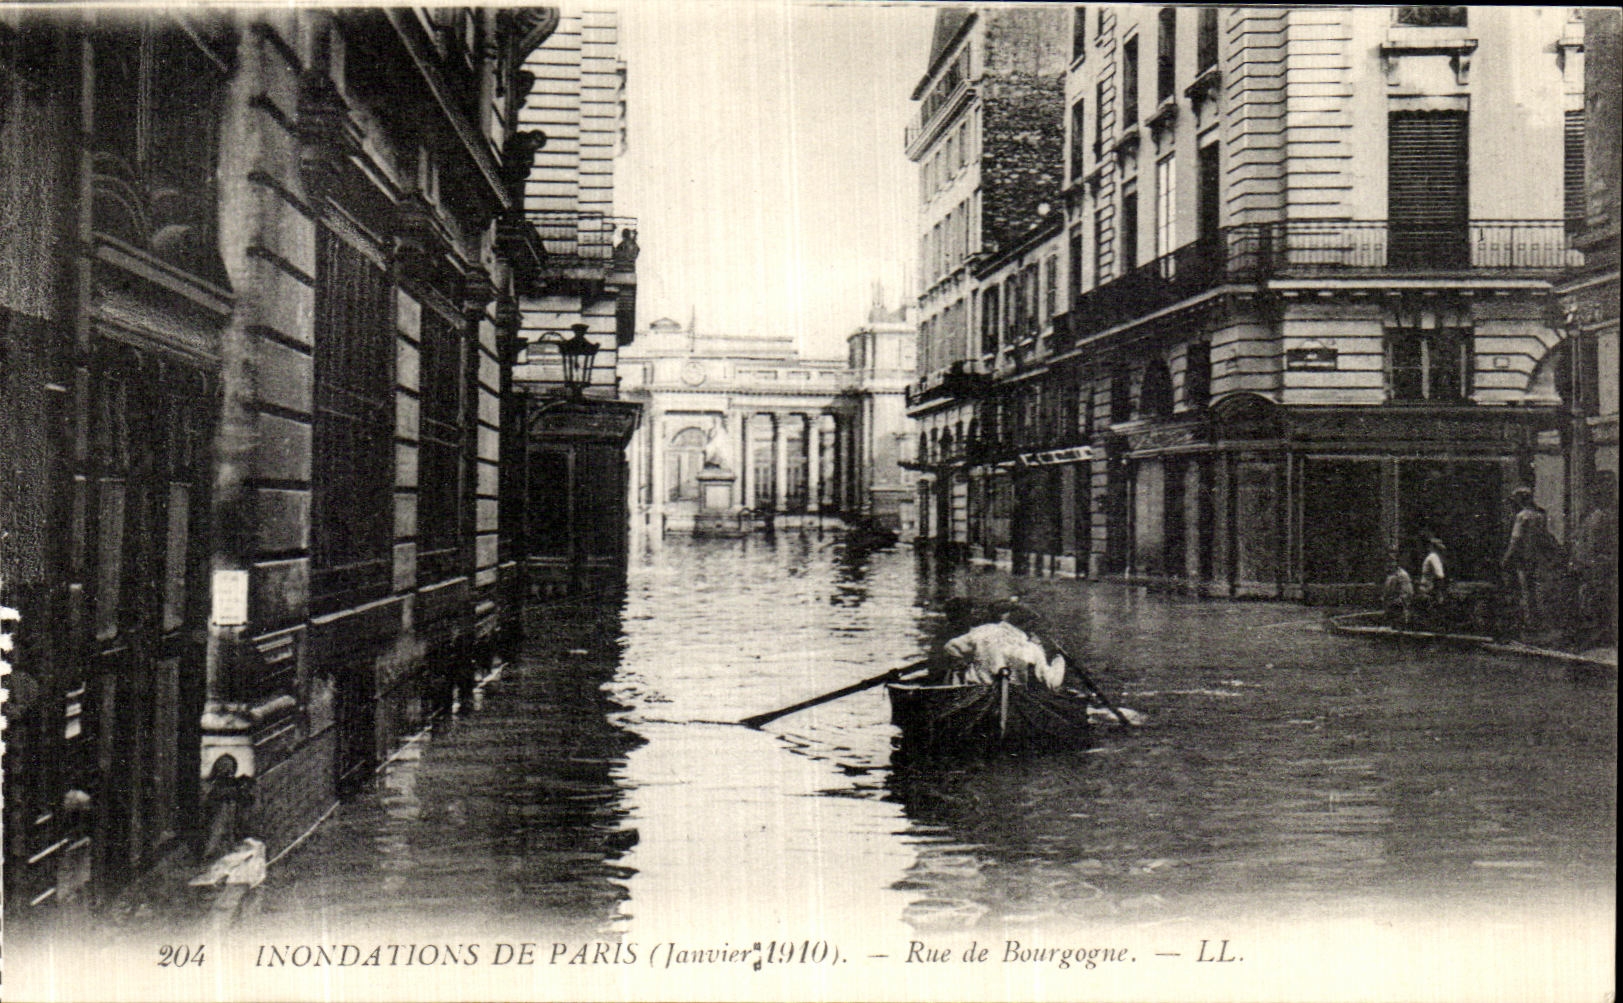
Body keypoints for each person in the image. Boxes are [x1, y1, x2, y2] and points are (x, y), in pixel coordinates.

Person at [939, 599, 1065, 690]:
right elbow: (1052, 683)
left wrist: (965, 663)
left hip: (977, 691)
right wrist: (1059, 660)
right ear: (1029, 627)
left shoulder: (983, 631)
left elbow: (950, 647)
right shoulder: (1031, 649)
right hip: (1013, 697)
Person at [1501, 486, 1557, 636]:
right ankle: (1540, 623)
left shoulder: (1522, 516)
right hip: (1539, 558)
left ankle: (1529, 624)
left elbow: (1515, 540)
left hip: (1524, 559)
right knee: (1536, 590)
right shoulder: (1540, 515)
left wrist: (1506, 559)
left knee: (1525, 591)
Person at [1571, 470, 1617, 648]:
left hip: (1599, 564)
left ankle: (1601, 633)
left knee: (1599, 598)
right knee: (1590, 598)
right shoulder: (1593, 516)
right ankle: (1596, 631)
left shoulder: (1604, 516)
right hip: (1589, 564)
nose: (1594, 497)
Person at [1416, 535, 1448, 623]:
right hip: (1430, 588)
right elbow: (1439, 575)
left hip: (1427, 587)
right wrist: (1439, 592)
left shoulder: (1432, 557)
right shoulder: (1433, 557)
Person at [1382, 548, 1414, 627]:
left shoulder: (1402, 575)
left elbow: (1408, 593)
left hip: (1399, 612)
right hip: (1390, 611)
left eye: (1392, 561)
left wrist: (1396, 603)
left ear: (1396, 563)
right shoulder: (1390, 576)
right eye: (1387, 562)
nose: (1389, 564)